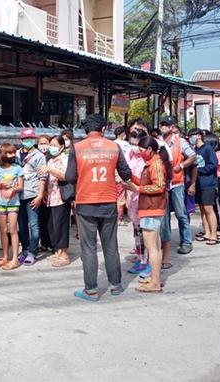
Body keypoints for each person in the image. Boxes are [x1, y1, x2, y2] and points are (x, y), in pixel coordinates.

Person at [66, 113, 132, 301]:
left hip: (86, 203)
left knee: (88, 248)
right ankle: (116, 285)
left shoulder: (77, 148)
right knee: (110, 245)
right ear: (103, 129)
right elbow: (126, 173)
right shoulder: (114, 147)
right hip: (109, 202)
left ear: (85, 129)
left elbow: (70, 177)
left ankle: (91, 290)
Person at [128, 136, 169, 293]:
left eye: (142, 149)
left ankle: (155, 282)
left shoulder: (156, 163)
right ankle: (154, 278)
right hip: (149, 207)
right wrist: (133, 180)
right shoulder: (152, 163)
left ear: (150, 149)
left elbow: (159, 186)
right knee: (154, 247)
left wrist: (137, 189)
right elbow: (147, 183)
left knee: (152, 247)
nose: (140, 152)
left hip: (152, 208)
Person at [158, 117, 196, 263]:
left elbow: (193, 156)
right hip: (162, 184)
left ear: (173, 127)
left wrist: (181, 165)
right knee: (164, 216)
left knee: (181, 214)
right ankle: (165, 242)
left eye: (166, 125)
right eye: (162, 125)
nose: (163, 127)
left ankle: (186, 242)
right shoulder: (159, 142)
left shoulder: (181, 141)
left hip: (177, 183)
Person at [0, 143, 24, 271]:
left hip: (13, 203)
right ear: (2, 154)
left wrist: (14, 190)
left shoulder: (17, 168)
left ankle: (15, 258)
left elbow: (21, 186)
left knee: (13, 230)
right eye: (9, 153)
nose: (12, 155)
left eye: (13, 152)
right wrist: (1, 184)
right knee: (3, 230)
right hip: (0, 203)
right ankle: (5, 256)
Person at [40, 135, 71, 267]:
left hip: (61, 197)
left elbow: (65, 176)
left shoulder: (65, 159)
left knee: (62, 224)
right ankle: (57, 250)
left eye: (54, 145)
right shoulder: (51, 160)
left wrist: (50, 170)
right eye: (50, 145)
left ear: (62, 147)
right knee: (54, 225)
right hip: (51, 197)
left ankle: (64, 253)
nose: (51, 147)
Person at [17, 127, 47, 265]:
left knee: (34, 224)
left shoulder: (39, 155)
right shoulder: (16, 154)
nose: (27, 141)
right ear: (21, 140)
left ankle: (33, 252)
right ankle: (24, 249)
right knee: (22, 225)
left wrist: (40, 195)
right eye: (25, 139)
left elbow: (42, 177)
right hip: (18, 194)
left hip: (33, 194)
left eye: (30, 139)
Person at [125, 130, 150, 275]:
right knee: (136, 231)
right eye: (131, 143)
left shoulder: (148, 159)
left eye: (136, 144)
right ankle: (141, 258)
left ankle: (146, 261)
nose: (133, 147)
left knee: (146, 232)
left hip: (144, 198)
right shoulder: (130, 155)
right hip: (132, 198)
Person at [189, 129, 219, 244]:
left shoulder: (207, 148)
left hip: (208, 183)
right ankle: (206, 232)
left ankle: (214, 234)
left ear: (198, 136)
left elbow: (213, 164)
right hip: (198, 183)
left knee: (208, 208)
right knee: (202, 209)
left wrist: (199, 170)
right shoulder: (194, 150)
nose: (190, 138)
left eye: (192, 135)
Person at [113, 125, 130, 224]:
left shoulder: (112, 144)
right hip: (121, 174)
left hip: (112, 174)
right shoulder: (125, 144)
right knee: (121, 197)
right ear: (122, 134)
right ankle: (119, 219)